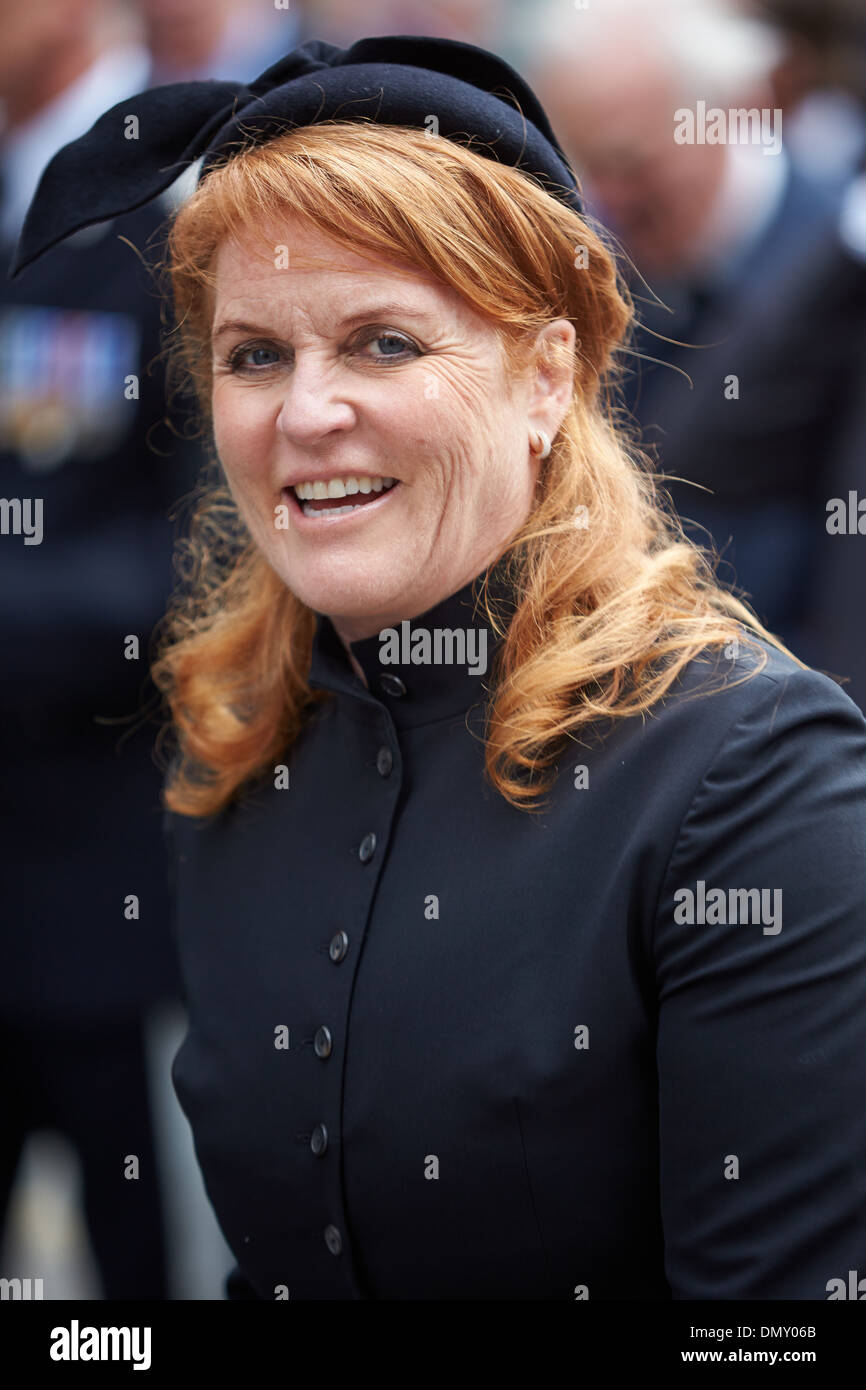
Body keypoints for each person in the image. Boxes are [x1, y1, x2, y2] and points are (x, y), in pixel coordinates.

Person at [14, 34, 866, 1301]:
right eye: (255, 355)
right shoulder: (242, 747)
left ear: (544, 377)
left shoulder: (749, 785)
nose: (306, 413)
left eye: (383, 344)